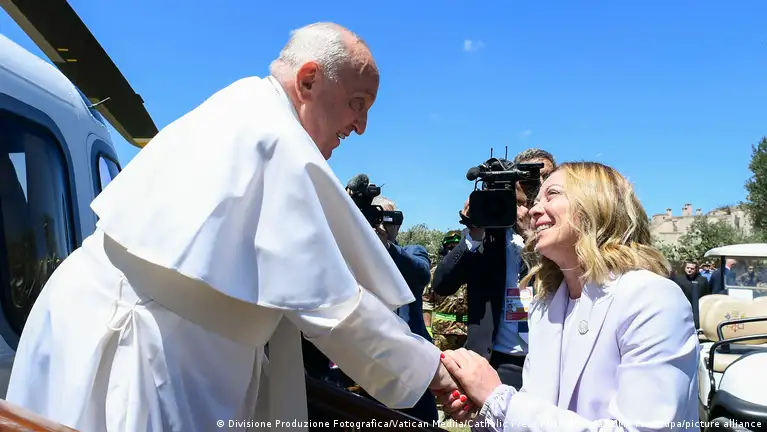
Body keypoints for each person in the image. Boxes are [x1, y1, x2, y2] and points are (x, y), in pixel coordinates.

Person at [6, 22, 458, 432]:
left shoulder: (250, 110)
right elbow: (332, 305)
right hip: (138, 353)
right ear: (308, 80)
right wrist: (430, 369)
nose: (360, 126)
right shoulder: (271, 136)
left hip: (138, 339)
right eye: (357, 104)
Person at [438, 162, 700, 431]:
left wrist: (499, 401)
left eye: (551, 195)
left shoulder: (653, 299)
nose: (533, 210)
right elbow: (539, 412)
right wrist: (486, 411)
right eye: (535, 200)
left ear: (598, 204)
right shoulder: (545, 306)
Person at [432, 157, 541, 390]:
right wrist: (474, 233)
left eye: (523, 203)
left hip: (543, 358)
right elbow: (441, 285)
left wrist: (532, 237)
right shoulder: (480, 239)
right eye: (512, 202)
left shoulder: (548, 238)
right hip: (496, 362)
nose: (518, 210)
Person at [428, 230, 469, 351]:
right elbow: (427, 303)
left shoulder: (472, 271)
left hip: (467, 333)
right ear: (444, 249)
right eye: (450, 247)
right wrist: (427, 329)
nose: (453, 250)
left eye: (457, 247)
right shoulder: (434, 273)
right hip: (442, 334)